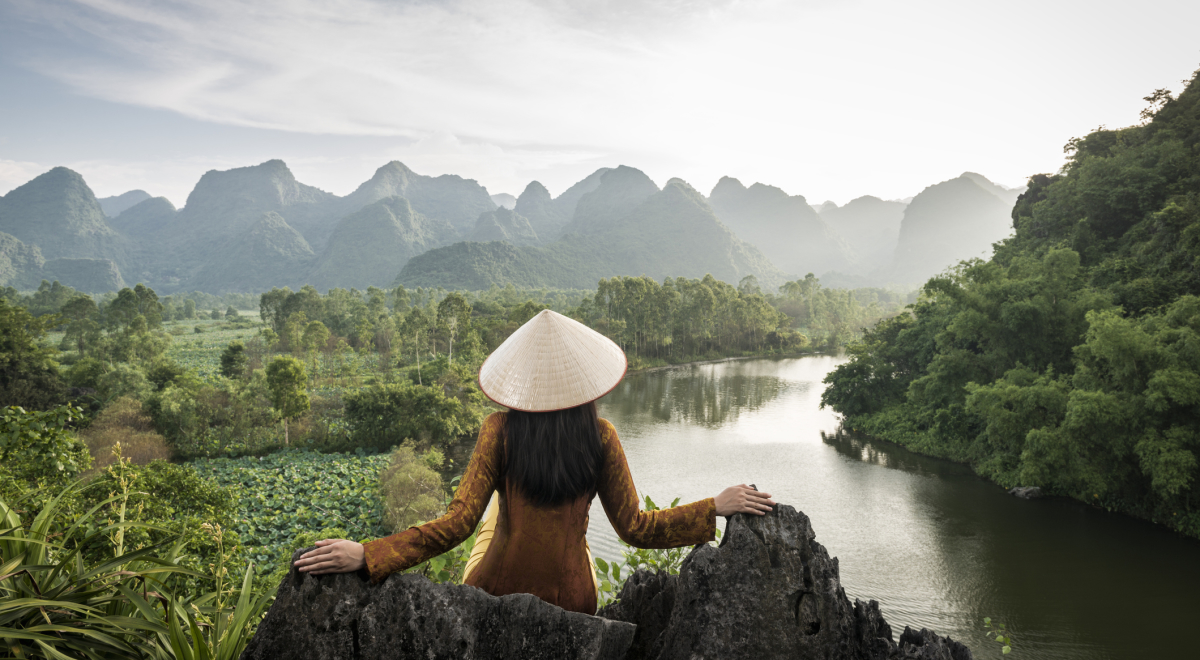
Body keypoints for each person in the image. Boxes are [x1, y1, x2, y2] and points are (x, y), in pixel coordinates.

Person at [293, 309, 775, 615]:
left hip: (497, 596)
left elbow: (458, 522)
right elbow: (636, 527)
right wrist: (713, 505)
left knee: (491, 519)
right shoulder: (600, 436)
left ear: (520, 381)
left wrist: (368, 555)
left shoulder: (499, 431)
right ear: (585, 381)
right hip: (575, 601)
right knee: (573, 543)